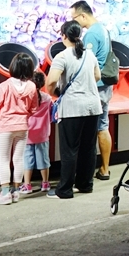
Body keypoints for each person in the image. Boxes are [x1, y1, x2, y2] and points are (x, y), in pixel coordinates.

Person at [46, 20, 102, 199]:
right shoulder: (89, 55)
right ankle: (85, 184)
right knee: (88, 148)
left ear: (63, 36)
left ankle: (65, 189)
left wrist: (54, 93)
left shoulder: (62, 56)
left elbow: (51, 81)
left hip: (72, 108)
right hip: (93, 106)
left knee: (70, 149)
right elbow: (97, 76)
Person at [69, 1, 114, 181]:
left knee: (89, 131)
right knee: (103, 126)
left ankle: (84, 172)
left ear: (83, 16)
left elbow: (87, 63)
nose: (74, 22)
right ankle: (105, 169)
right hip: (105, 86)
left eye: (74, 18)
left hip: (95, 87)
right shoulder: (103, 29)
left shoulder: (91, 35)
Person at [0, 53, 39, 205]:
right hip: (23, 127)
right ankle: (16, 192)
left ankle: (5, 193)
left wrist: (1, 116)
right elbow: (34, 108)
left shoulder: (4, 86)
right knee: (18, 159)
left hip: (6, 127)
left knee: (4, 159)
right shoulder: (32, 86)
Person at [21, 71, 53, 194]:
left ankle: (27, 184)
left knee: (27, 160)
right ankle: (45, 182)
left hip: (28, 134)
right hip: (43, 134)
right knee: (44, 159)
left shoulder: (26, 99)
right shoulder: (48, 98)